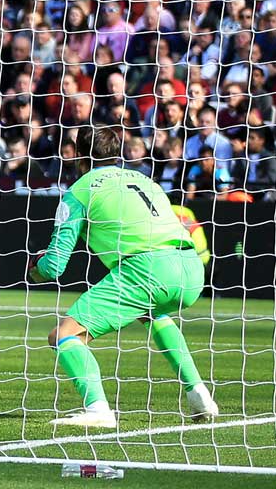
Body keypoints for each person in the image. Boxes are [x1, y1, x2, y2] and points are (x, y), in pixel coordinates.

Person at [28, 129, 218, 428]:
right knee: (153, 313)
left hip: (146, 270)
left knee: (63, 335)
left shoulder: (79, 190)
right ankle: (199, 393)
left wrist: (36, 268)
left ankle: (98, 409)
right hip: (191, 268)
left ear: (79, 156)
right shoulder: (146, 180)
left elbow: (54, 267)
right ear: (118, 154)